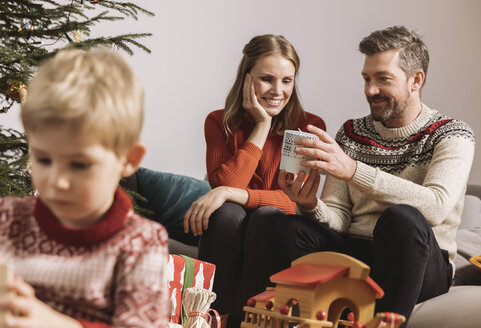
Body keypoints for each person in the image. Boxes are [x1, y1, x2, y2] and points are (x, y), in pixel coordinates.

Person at [241, 26, 475, 327]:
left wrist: (353, 170)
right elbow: (339, 218)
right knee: (279, 223)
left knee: (401, 218)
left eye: (383, 79)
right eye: (367, 79)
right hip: (357, 253)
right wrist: (310, 204)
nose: (370, 90)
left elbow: (435, 206)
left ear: (416, 80)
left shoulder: (452, 134)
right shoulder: (353, 133)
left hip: (419, 258)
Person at [0, 48, 168, 327]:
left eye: (79, 165)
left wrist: (56, 324)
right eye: (43, 159)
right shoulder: (8, 218)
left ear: (128, 159)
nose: (57, 181)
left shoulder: (140, 243)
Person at [183, 34, 326, 324]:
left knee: (265, 215)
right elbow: (225, 182)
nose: (277, 91)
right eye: (267, 79)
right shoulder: (219, 122)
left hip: (274, 229)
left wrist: (232, 194)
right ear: (246, 79)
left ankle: (247, 320)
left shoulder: (309, 127)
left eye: (287, 80)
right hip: (230, 227)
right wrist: (262, 126)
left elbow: (294, 202)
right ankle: (209, 317)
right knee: (226, 214)